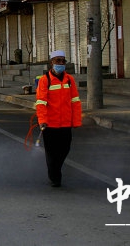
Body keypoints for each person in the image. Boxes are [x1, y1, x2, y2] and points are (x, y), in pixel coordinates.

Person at [35, 50, 82, 187]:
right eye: (58, 61)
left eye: (63, 61)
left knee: (65, 149)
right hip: (50, 124)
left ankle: (56, 170)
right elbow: (41, 103)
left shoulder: (69, 80)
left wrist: (76, 120)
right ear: (51, 63)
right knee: (51, 153)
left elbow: (75, 101)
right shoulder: (45, 81)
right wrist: (42, 120)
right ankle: (55, 177)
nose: (61, 63)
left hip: (66, 123)